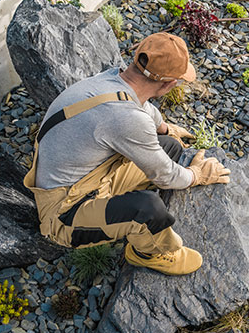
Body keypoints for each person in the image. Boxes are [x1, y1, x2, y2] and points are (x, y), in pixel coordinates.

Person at [23, 32, 230, 276]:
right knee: (147, 209)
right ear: (168, 85)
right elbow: (165, 175)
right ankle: (147, 253)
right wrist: (196, 175)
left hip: (90, 179)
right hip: (64, 212)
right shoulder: (127, 119)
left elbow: (141, 107)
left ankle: (120, 207)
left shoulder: (112, 79)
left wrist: (166, 128)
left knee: (169, 146)